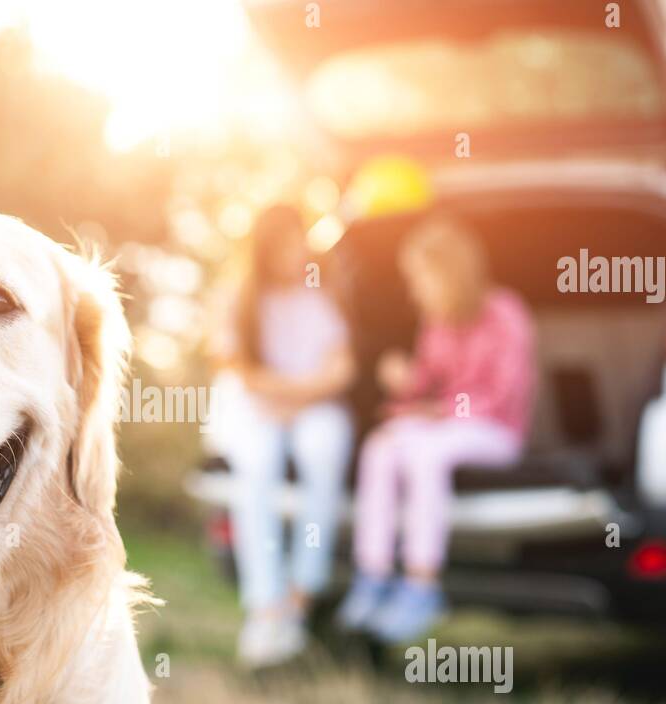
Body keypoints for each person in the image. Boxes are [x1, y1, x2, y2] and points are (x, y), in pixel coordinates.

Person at [338, 217, 536, 642]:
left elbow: (502, 395)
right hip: (444, 425)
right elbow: (428, 380)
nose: (415, 290)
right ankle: (372, 574)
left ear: (449, 273)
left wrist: (434, 413)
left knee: (424, 453)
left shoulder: (506, 313)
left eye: (420, 278)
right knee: (382, 447)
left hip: (494, 431)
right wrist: (406, 384)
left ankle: (421, 584)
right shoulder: (438, 322)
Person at [219, 204, 355, 667]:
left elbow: (341, 367)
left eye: (299, 242)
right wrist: (283, 397)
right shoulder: (241, 297)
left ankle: (300, 598)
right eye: (284, 245)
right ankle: (265, 606)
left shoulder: (320, 293)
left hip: (310, 407)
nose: (294, 253)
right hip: (255, 409)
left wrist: (298, 397)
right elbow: (240, 370)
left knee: (324, 447)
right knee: (258, 463)